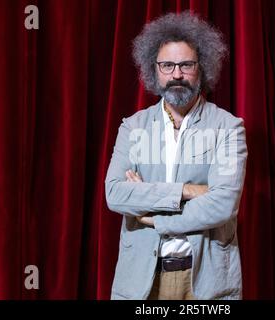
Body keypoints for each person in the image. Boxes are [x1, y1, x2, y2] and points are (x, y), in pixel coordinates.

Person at [105, 11, 248, 300]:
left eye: (186, 65)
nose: (177, 75)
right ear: (153, 69)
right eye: (167, 65)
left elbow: (222, 204)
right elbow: (115, 194)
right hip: (140, 284)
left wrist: (154, 218)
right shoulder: (132, 127)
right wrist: (186, 191)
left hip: (207, 285)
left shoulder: (229, 128)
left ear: (202, 67)